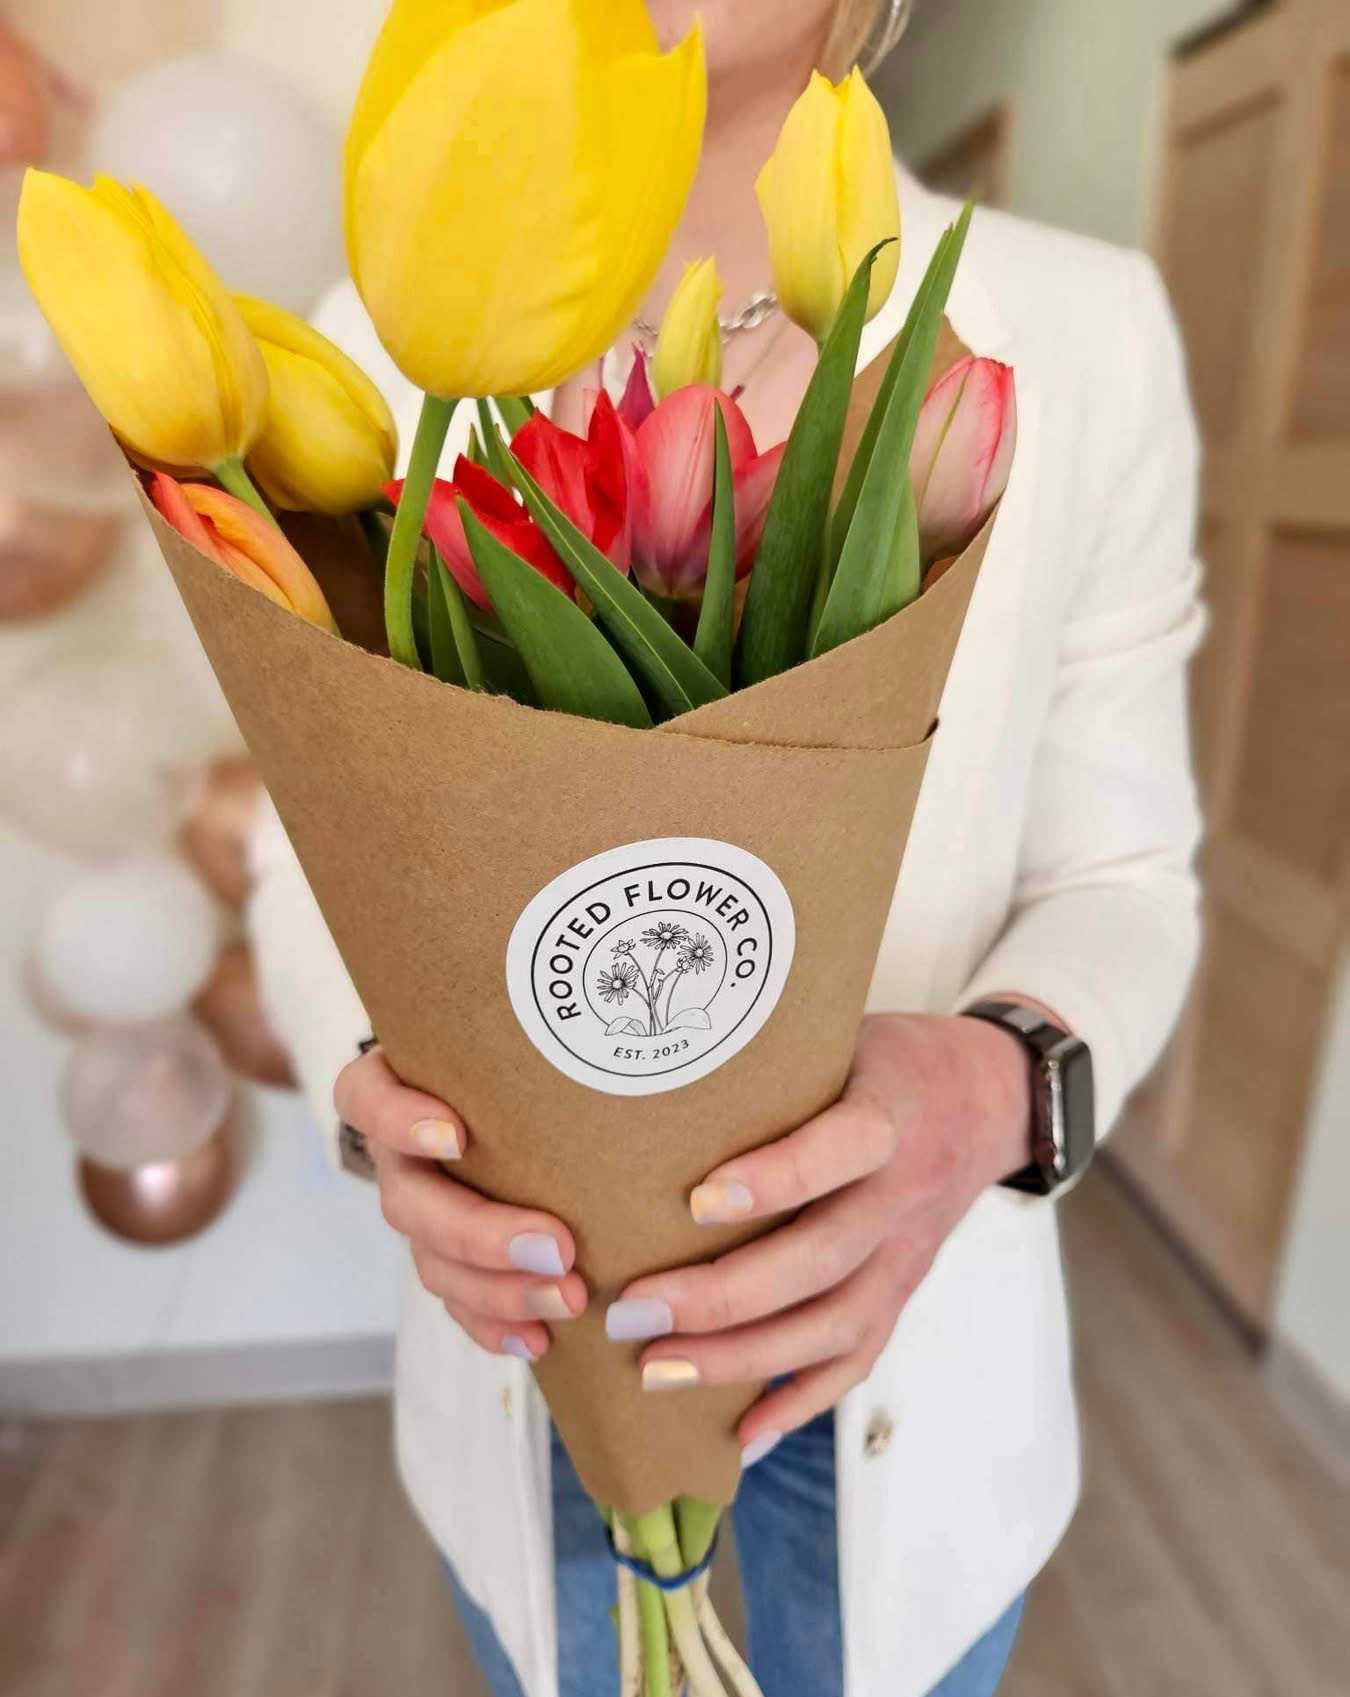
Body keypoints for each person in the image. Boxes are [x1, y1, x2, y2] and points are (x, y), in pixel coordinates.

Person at [247, 1, 1205, 1693]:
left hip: (913, 1379)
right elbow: (298, 843)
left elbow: (1126, 880)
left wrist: (987, 1093)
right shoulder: (388, 349)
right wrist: (366, 1092)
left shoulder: (1078, 336)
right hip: (520, 1377)